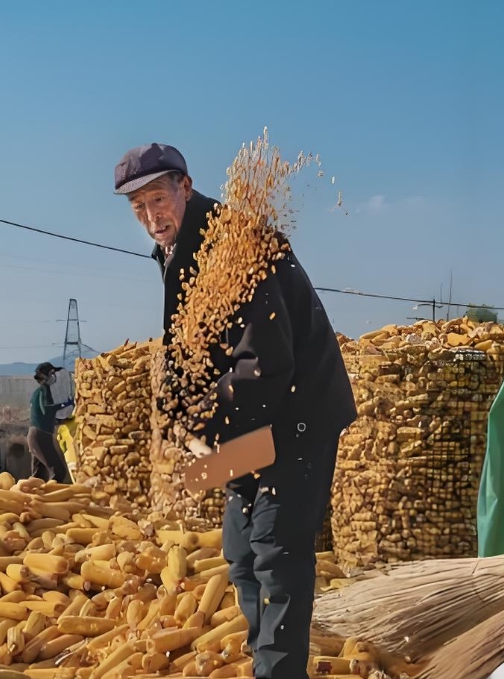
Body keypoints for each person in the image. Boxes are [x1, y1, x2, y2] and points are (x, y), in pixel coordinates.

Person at [114, 143, 357, 679]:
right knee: (240, 551)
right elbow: (194, 346)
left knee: (275, 552)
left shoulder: (235, 245)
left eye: (159, 198)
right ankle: (263, 663)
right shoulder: (181, 247)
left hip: (296, 416)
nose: (152, 217)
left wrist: (203, 422)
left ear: (186, 185)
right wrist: (176, 410)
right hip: (246, 421)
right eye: (139, 208)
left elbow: (266, 361)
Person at [27, 362, 73, 484]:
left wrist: (62, 419)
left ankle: (31, 500)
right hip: (40, 436)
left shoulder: (38, 392)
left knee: (38, 476)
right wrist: (66, 404)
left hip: (34, 436)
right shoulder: (44, 391)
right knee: (58, 472)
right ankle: (52, 499)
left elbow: (43, 415)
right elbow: (47, 410)